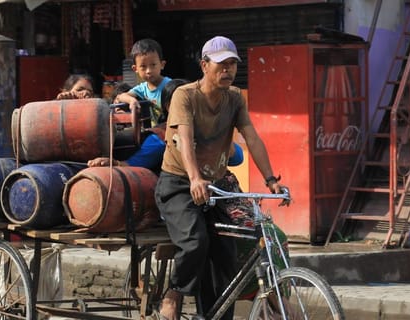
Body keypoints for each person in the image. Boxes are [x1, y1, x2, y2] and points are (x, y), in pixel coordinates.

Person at [154, 36, 289, 320]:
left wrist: (270, 179)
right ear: (204, 65)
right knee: (195, 241)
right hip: (178, 184)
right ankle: (174, 292)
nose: (227, 70)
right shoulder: (185, 96)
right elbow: (185, 139)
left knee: (229, 252)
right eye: (221, 64)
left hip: (214, 186)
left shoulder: (235, 98)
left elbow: (251, 136)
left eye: (232, 64)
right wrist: (194, 179)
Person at [115, 39, 172, 126]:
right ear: (135, 69)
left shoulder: (169, 85)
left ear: (162, 64)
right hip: (154, 132)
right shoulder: (143, 88)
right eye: (143, 66)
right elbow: (121, 96)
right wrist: (132, 100)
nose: (148, 71)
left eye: (153, 65)